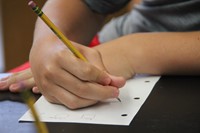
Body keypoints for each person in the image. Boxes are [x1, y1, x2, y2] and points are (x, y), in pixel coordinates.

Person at [0, 0, 200, 109]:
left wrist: (132, 51)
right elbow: (85, 4)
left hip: (118, 52)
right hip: (103, 47)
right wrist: (48, 44)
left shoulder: (125, 50)